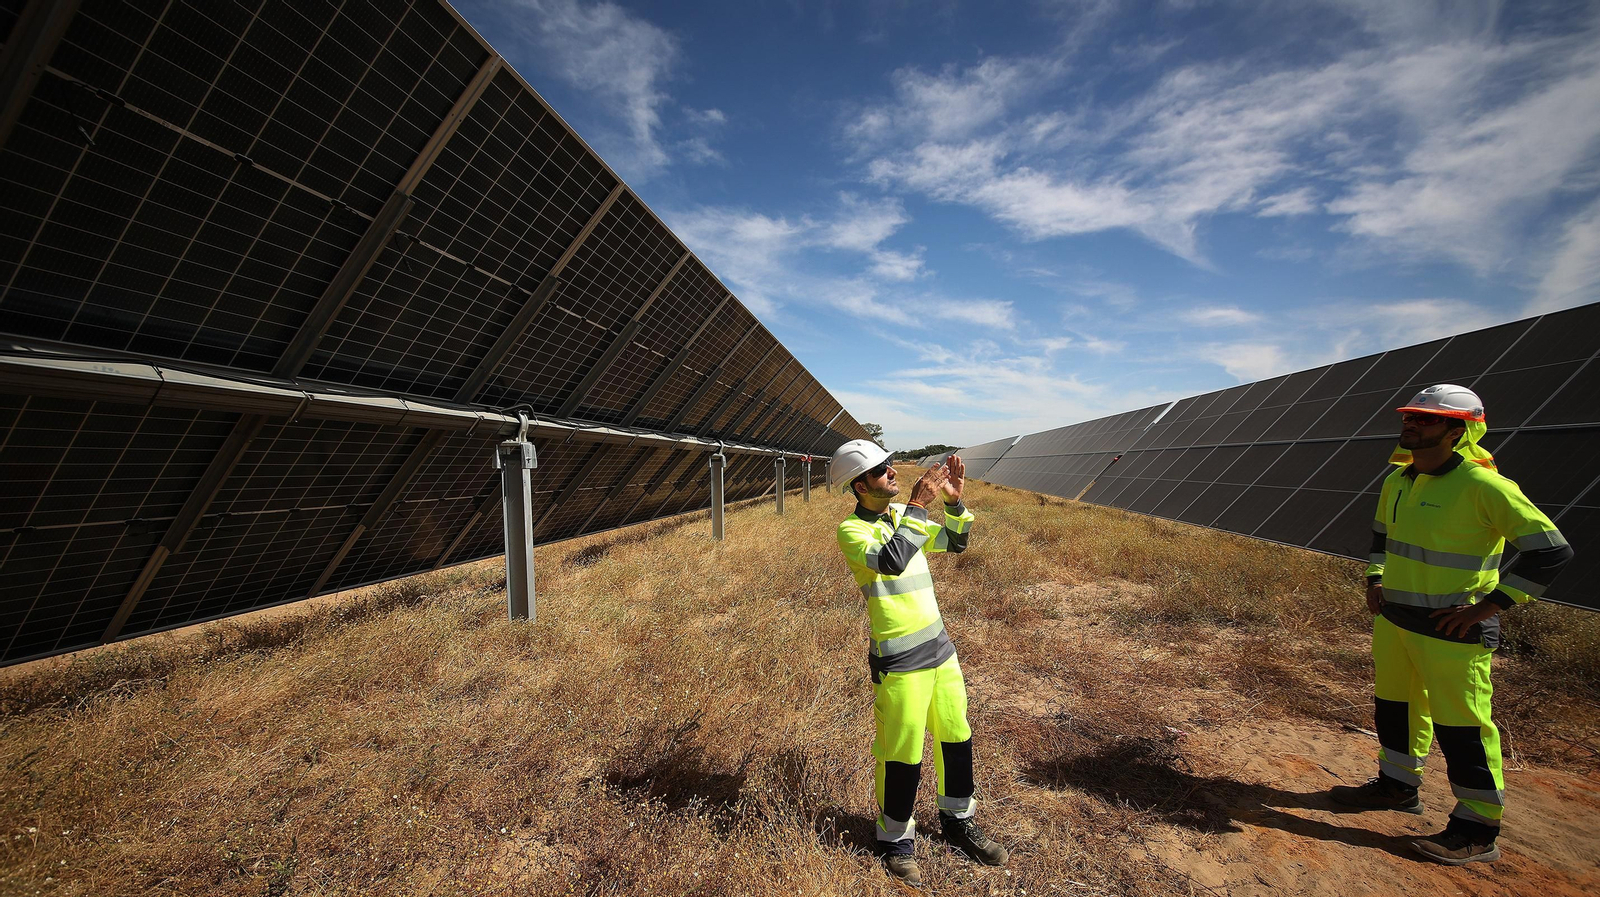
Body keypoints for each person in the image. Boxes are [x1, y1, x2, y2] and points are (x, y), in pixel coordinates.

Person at [1330, 384, 1573, 865]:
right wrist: (1374, 577)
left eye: (1426, 419)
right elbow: (1382, 536)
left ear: (1459, 429)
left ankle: (1477, 830)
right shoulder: (1398, 480)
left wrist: (1489, 607)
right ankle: (1397, 787)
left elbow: (1552, 551)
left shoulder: (1486, 487)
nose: (1411, 425)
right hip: (1395, 621)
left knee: (1463, 727)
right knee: (1395, 708)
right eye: (1410, 417)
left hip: (1452, 631)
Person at [829, 443, 1009, 886]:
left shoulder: (898, 519)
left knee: (956, 736)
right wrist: (917, 505)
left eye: (890, 466)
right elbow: (892, 561)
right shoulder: (852, 531)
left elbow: (956, 542)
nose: (892, 472)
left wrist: (952, 501)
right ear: (861, 485)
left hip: (940, 650)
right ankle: (895, 839)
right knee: (902, 752)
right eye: (881, 470)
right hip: (900, 660)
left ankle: (958, 822)